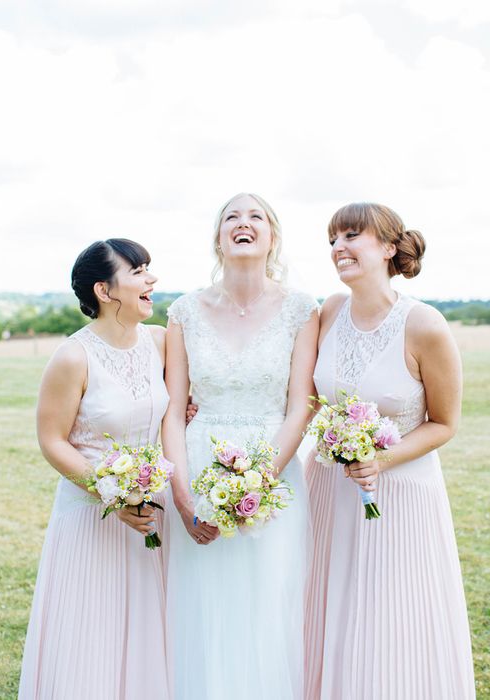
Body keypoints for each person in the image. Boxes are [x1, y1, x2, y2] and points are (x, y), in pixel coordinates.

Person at [304, 203, 476, 699]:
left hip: (399, 494)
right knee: (328, 604)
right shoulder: (330, 311)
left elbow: (444, 423)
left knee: (389, 613)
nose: (339, 248)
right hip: (329, 490)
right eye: (332, 240)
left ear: (386, 246)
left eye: (351, 236)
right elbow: (297, 391)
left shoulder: (424, 325)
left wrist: (381, 458)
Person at [162, 193, 318, 699]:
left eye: (256, 217)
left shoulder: (301, 309)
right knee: (205, 604)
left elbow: (301, 404)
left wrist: (261, 480)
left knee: (268, 603)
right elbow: (173, 406)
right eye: (232, 216)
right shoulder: (184, 311)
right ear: (218, 238)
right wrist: (183, 498)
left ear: (272, 237)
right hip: (199, 465)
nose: (243, 223)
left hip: (274, 468)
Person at [19, 239, 170, 699]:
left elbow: (179, 406)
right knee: (91, 638)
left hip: (150, 515)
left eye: (149, 269)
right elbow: (52, 441)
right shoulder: (72, 357)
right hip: (91, 517)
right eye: (139, 271)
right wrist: (114, 495)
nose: (152, 280)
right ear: (105, 291)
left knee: (149, 634)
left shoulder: (162, 341)